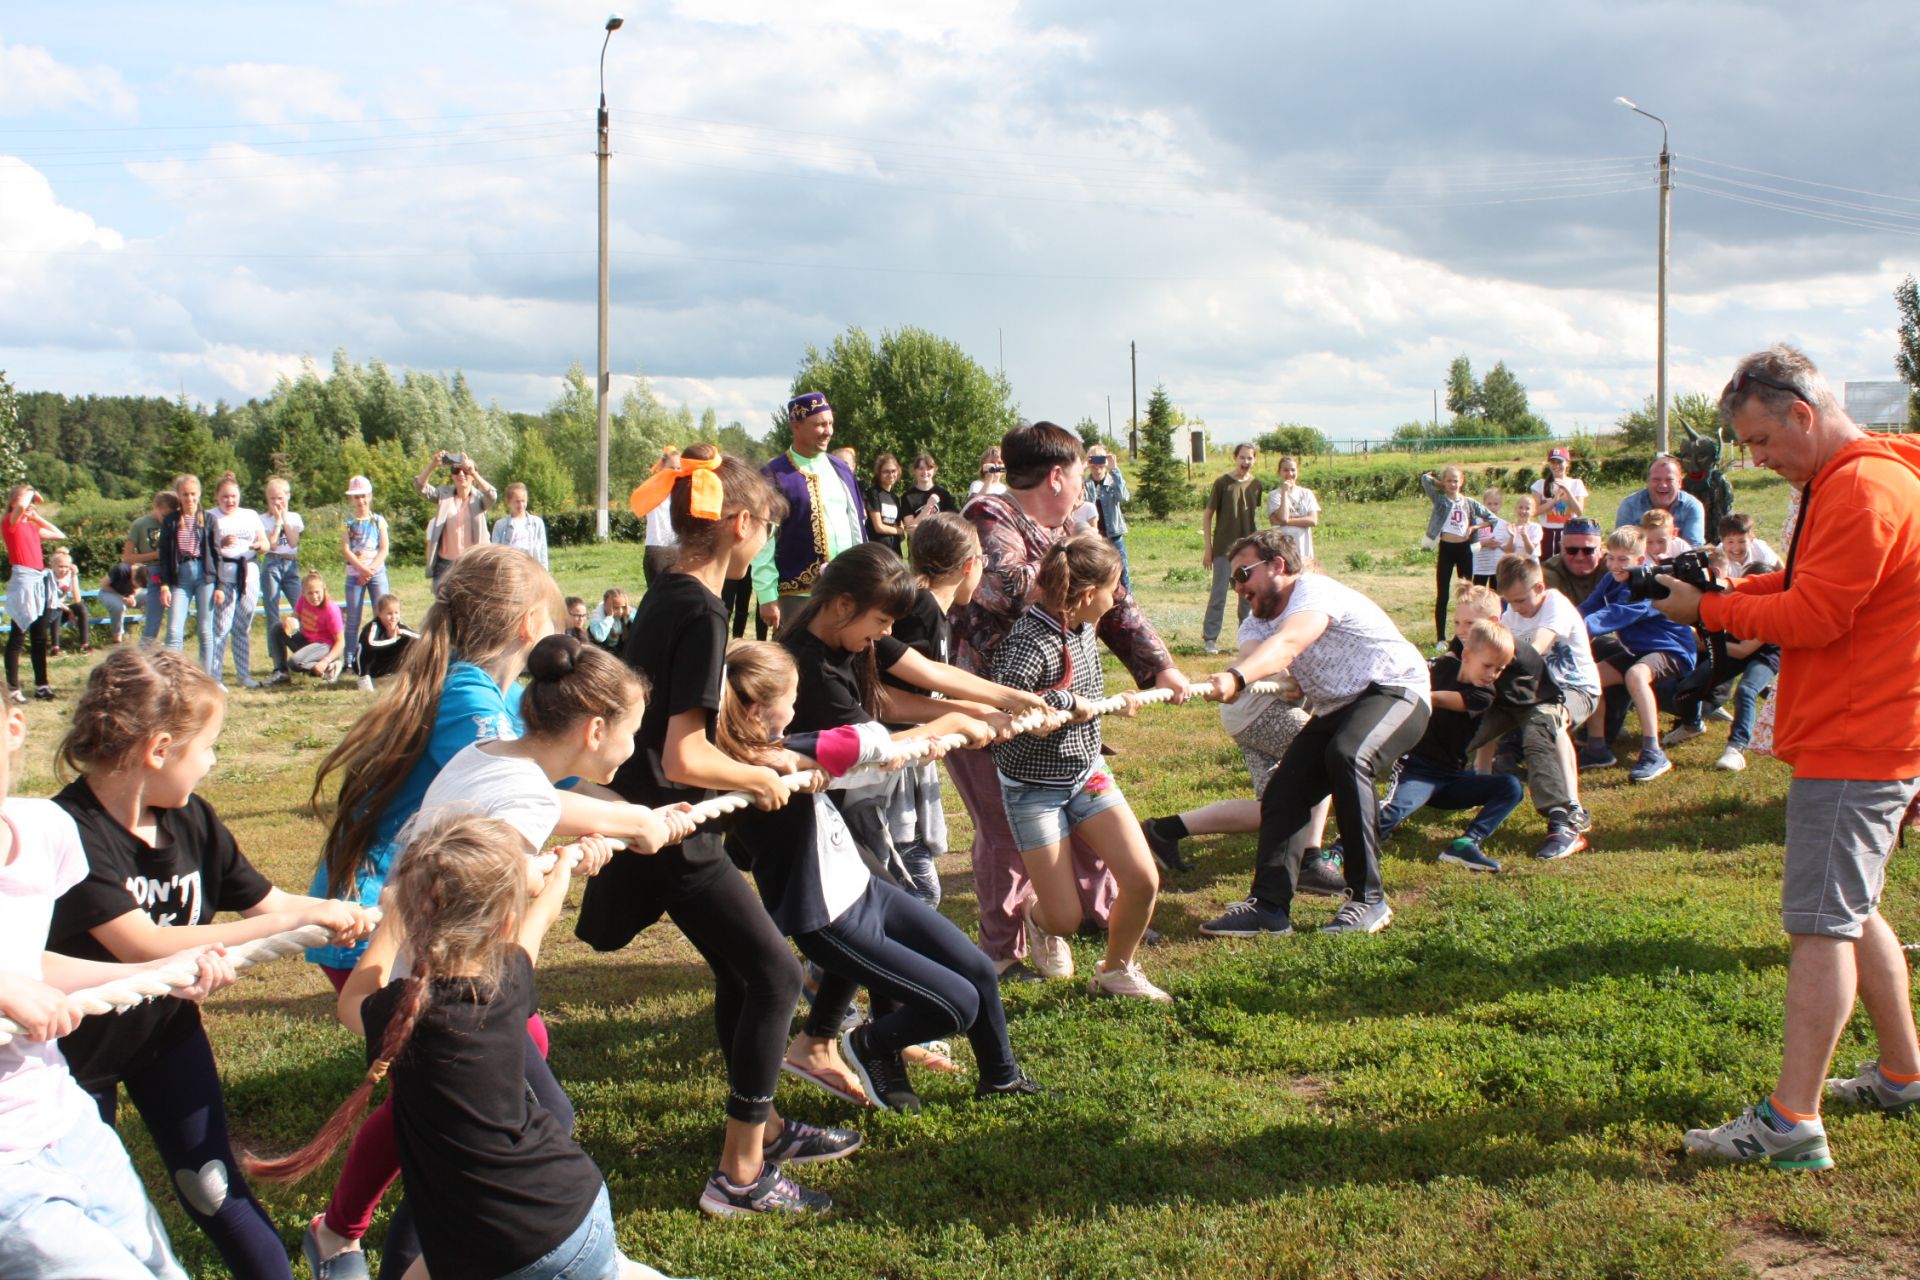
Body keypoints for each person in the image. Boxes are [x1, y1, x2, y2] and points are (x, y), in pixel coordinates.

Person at [301, 544, 684, 1274]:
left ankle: (380, 1245)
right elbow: (512, 820)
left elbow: (523, 786)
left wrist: (569, 855)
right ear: (530, 622)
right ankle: (355, 1236)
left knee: (467, 1085)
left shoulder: (492, 715)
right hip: (410, 928)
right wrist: (620, 826)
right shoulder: (474, 702)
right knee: (454, 1107)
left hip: (419, 925)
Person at [1654, 344, 1920, 1170]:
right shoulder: (1860, 476)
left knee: (1819, 927)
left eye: (1763, 443)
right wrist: (1715, 600)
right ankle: (1905, 1075)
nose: (1759, 462)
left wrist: (1714, 608)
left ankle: (1790, 1121)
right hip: (1874, 727)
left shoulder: (1863, 490)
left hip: (1859, 736)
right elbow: (1810, 586)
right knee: (1855, 909)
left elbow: (1818, 618)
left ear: (1803, 414)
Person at [580, 445, 859, 1218]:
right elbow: (682, 751)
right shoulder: (699, 607)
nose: (767, 547)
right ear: (739, 525)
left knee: (743, 972)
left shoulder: (672, 591)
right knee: (772, 974)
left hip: (663, 817)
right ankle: (740, 1175)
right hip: (674, 829)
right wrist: (760, 776)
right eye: (768, 531)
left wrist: (747, 760)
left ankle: (763, 1127)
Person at [47, 647, 377, 1279]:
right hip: (71, 1056)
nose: (215, 761)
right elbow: (140, 946)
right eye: (209, 747)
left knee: (212, 1185)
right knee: (82, 1212)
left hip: (163, 1036)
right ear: (160, 750)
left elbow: (267, 900)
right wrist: (281, 924)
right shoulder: (73, 832)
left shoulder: (192, 819)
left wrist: (329, 910)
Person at [248, 813, 689, 1280]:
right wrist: (561, 873)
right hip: (575, 1212)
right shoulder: (509, 979)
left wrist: (392, 919)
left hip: (499, 1250)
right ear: (505, 921)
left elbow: (351, 1000)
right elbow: (535, 927)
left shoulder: (403, 1015)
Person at [718, 641, 1042, 1114]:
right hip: (831, 919)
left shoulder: (780, 753)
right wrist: (949, 722)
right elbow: (860, 744)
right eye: (792, 696)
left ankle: (1002, 1079)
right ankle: (869, 1044)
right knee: (956, 1005)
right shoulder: (766, 761)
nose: (796, 705)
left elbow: (857, 755)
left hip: (866, 890)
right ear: (757, 709)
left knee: (976, 973)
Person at [949, 422, 1192, 983]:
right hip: (988, 707)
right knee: (1002, 831)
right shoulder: (991, 516)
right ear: (1057, 476)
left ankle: (1103, 916)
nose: (1085, 488)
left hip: (1065, 720)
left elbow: (1116, 602)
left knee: (1083, 816)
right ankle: (1004, 948)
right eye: (1081, 475)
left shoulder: (1065, 530)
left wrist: (1161, 667)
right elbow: (1006, 586)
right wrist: (1074, 558)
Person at [0, 696, 232, 1280]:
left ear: (13, 724)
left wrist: (152, 977)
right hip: (8, 1174)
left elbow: (31, 964)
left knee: (161, 1268)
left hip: (66, 1121)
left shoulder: (42, 831)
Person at [1199, 528, 1431, 939]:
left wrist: (1237, 677)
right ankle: (1269, 908)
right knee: (1284, 790)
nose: (1239, 588)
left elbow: (1290, 642)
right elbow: (1256, 659)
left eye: (1243, 575)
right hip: (1339, 708)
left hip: (1396, 690)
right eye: (1234, 579)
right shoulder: (1258, 621)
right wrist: (1238, 677)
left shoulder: (1313, 592)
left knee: (1347, 755)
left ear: (1278, 566)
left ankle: (1368, 898)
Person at [990, 535, 1170, 1000]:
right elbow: (1003, 703)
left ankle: (1115, 971)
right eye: (1114, 588)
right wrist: (1066, 703)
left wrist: (1114, 702)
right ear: (1089, 595)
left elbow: (1086, 690)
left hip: (1084, 772)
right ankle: (1037, 917)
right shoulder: (1031, 640)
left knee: (1143, 878)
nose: (1119, 596)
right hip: (1033, 788)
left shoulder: (1083, 625)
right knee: (1065, 919)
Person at [1365, 618, 1522, 873]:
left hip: (1451, 779)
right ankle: (1339, 852)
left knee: (1510, 787)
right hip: (1416, 772)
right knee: (1392, 812)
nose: (1492, 674)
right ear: (1468, 654)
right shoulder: (1441, 668)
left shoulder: (1484, 695)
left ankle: (1466, 843)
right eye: (1488, 665)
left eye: (1500, 669)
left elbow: (1439, 699)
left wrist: (1411, 690)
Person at [1482, 561, 1597, 862]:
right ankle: (1474, 784)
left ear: (1540, 588)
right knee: (1476, 717)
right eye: (1511, 601)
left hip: (1574, 689)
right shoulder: (1512, 612)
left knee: (1548, 722)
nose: (1516, 608)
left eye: (1521, 600)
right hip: (1529, 693)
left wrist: (1498, 654)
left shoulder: (1555, 605)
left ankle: (1568, 811)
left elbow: (1536, 648)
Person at [1576, 525, 1696, 782]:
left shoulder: (1648, 584)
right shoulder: (1611, 578)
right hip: (1638, 650)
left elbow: (1615, 614)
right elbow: (1589, 607)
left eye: (1623, 559)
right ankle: (1597, 748)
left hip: (1671, 649)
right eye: (1610, 557)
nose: (1614, 564)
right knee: (1591, 676)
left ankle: (1654, 751)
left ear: (1640, 561)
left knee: (1636, 675)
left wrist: (1575, 627)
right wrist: (1561, 619)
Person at [751, 393, 866, 632]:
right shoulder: (774, 475)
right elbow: (763, 540)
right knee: (796, 662)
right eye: (819, 424)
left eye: (830, 423)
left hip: (846, 588)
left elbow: (858, 526)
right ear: (796, 426)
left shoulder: (841, 469)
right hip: (797, 595)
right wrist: (766, 594)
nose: (828, 431)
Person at [1661, 548, 1780, 773]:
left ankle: (1736, 748)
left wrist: (1705, 640)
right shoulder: (1737, 595)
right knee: (1687, 688)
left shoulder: (1771, 609)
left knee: (1746, 691)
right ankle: (1692, 725)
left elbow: (1744, 651)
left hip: (1763, 655)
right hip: (1734, 646)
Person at [1418, 465, 1496, 645]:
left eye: (1456, 480)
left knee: (1467, 594)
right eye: (1449, 481)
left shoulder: (1469, 502)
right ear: (1444, 482)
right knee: (1443, 594)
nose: (1452, 484)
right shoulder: (1440, 500)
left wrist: (1475, 527)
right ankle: (1440, 638)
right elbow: (1424, 479)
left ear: (1462, 482)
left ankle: (1466, 634)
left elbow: (1491, 518)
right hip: (1446, 549)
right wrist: (1440, 483)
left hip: (1464, 550)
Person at [1201, 443, 1265, 654]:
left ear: (1254, 460)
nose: (1245, 462)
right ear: (1235, 458)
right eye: (1242, 458)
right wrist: (1208, 548)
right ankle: (1210, 639)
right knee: (1219, 594)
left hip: (1247, 552)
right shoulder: (1222, 483)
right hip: (1223, 550)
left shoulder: (1256, 485)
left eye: (1250, 458)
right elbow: (1208, 515)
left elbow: (1254, 515)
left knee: (1247, 595)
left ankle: (1245, 638)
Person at [208, 473, 268, 689]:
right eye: (225, 497)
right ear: (217, 497)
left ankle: (244, 675)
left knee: (242, 625)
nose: (230, 501)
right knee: (221, 626)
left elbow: (265, 542)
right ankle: (215, 677)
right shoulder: (210, 516)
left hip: (248, 570)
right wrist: (220, 541)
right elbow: (204, 548)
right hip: (223, 573)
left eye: (233, 496)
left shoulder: (250, 515)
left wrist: (260, 545)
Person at [5, 484, 64, 703]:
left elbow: (59, 535)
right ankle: (13, 688)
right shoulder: (10, 523)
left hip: (39, 580)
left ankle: (42, 685)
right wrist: (32, 492)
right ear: (14, 503)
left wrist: (37, 517)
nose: (29, 505)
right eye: (26, 502)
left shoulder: (31, 527)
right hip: (24, 580)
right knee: (18, 636)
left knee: (39, 637)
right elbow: (20, 505)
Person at [416, 449, 497, 588]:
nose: (460, 474)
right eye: (455, 471)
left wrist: (474, 473)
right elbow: (420, 487)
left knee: (470, 604)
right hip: (445, 564)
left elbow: (492, 496)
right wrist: (433, 465)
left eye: (465, 471)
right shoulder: (444, 495)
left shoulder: (479, 499)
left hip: (472, 563)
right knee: (443, 606)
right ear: (452, 476)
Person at [338, 476, 390, 680]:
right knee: (353, 619)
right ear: (352, 499)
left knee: (384, 615)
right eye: (357, 497)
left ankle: (384, 656)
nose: (361, 501)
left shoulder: (378, 520)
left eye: (364, 496)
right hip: (354, 575)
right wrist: (361, 570)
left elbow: (384, 548)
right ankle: (349, 660)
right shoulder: (347, 523)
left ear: (370, 496)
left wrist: (371, 569)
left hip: (376, 572)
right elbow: (346, 549)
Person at [258, 478, 305, 684]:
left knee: (300, 608)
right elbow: (272, 545)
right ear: (267, 500)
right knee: (272, 613)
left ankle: (303, 654)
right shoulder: (262, 519)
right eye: (273, 499)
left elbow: (293, 541)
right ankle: (278, 662)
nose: (277, 503)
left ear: (288, 497)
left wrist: (284, 518)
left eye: (281, 498)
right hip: (272, 564)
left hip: (291, 565)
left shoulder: (295, 517)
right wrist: (277, 521)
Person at [1614, 454, 1707, 547]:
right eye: (1656, 479)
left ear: (1679, 482)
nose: (1663, 485)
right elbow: (1621, 546)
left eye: (1669, 480)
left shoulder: (1692, 507)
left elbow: (1694, 548)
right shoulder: (1630, 505)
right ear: (1648, 482)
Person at [124, 489, 178, 644]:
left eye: (171, 515)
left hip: (175, 571)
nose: (168, 519)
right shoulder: (140, 524)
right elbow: (127, 558)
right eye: (164, 515)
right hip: (154, 572)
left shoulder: (177, 521)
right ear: (155, 507)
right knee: (153, 623)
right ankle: (144, 658)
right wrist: (155, 555)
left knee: (175, 625)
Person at [1082, 446, 1133, 590]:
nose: (1098, 465)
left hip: (1114, 535)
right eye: (1094, 460)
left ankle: (1126, 605)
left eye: (1101, 460)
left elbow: (1123, 497)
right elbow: (1076, 499)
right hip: (1094, 536)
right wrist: (1082, 468)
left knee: (1123, 574)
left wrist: (1114, 469)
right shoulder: (1086, 484)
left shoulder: (1112, 482)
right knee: (1096, 575)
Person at [282, 571, 346, 684]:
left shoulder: (331, 610)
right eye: (310, 593)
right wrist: (289, 622)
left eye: (317, 592)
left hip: (324, 646)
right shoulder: (302, 600)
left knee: (294, 663)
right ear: (303, 593)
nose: (314, 596)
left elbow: (340, 642)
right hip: (308, 641)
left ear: (324, 590)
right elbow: (295, 619)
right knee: (277, 629)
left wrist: (325, 661)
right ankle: (280, 671)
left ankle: (330, 666)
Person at [1530, 446, 1588, 557]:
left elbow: (1579, 511)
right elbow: (1534, 511)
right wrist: (1553, 501)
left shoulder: (1576, 483)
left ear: (1567, 463)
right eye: (1553, 462)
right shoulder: (1540, 484)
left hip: (1569, 531)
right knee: (1547, 565)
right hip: (1546, 532)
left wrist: (1567, 490)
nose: (1556, 466)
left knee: (1568, 565)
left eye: (1559, 462)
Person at [1264, 453, 1320, 565]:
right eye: (1285, 470)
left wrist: (1286, 522)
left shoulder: (1307, 493)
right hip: (1283, 547)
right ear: (1279, 472)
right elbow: (1283, 518)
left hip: (1303, 548)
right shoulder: (1274, 495)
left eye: (1293, 470)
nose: (1290, 474)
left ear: (1297, 471)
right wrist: (1284, 492)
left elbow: (1313, 521)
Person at [352, 594, 417, 689]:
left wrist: (401, 635)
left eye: (396, 613)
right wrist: (392, 639)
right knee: (366, 648)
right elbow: (370, 645)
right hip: (367, 666)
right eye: (389, 614)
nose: (393, 617)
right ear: (379, 613)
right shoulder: (373, 627)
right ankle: (364, 678)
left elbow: (420, 638)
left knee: (408, 641)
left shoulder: (399, 627)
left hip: (384, 666)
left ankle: (405, 674)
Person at [1541, 515, 1607, 606]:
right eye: (1572, 550)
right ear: (1561, 548)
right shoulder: (1547, 573)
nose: (1580, 557)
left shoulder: (1616, 568)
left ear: (1601, 549)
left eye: (1588, 550)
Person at [642, 446, 682, 587]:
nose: (675, 472)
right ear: (662, 466)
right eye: (672, 467)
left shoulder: (683, 491)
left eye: (679, 468)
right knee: (658, 595)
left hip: (678, 549)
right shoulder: (653, 487)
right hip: (657, 549)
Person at [490, 481, 550, 569]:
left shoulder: (537, 523)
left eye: (523, 501)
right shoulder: (500, 525)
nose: (521, 505)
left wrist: (544, 573)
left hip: (531, 568)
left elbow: (543, 552)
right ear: (509, 502)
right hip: (510, 569)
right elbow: (495, 552)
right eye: (517, 502)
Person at [44, 548, 91, 657]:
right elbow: (52, 600)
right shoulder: (48, 576)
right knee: (57, 609)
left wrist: (74, 577)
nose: (63, 570)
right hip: (50, 609)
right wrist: (69, 610)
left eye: (66, 567)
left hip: (63, 607)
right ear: (53, 566)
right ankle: (55, 647)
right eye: (60, 567)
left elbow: (77, 600)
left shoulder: (70, 576)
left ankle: (85, 645)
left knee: (81, 607)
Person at [899, 453, 957, 531]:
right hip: (918, 542)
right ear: (914, 470)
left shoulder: (944, 494)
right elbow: (910, 530)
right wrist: (928, 506)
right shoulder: (907, 497)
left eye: (929, 468)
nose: (925, 472)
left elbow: (953, 522)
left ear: (934, 470)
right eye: (921, 468)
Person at [1717, 511, 1782, 578]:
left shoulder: (1760, 550)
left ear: (1751, 539)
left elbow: (1778, 565)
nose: (1736, 548)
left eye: (1742, 541)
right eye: (1730, 542)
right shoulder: (1717, 558)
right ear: (1722, 541)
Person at [864, 453, 905, 556]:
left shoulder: (895, 497)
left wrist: (901, 532)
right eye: (886, 471)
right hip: (877, 550)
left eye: (893, 471)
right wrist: (899, 531)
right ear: (879, 473)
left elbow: (898, 523)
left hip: (894, 550)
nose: (891, 475)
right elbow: (879, 527)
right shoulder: (873, 493)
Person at [1468, 486, 1508, 588]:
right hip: (1480, 568)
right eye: (1489, 504)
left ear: (1501, 505)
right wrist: (1485, 543)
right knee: (1477, 596)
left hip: (1497, 569)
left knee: (1495, 596)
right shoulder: (1476, 524)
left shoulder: (1505, 525)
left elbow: (1509, 548)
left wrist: (1499, 545)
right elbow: (1471, 548)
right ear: (1483, 505)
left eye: (1496, 504)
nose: (1492, 507)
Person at [98, 559, 142, 646]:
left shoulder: (143, 573)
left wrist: (132, 596)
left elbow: (139, 587)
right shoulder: (121, 569)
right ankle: (117, 640)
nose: (134, 583)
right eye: (134, 580)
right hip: (108, 592)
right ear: (132, 572)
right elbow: (103, 584)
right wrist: (121, 597)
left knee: (150, 598)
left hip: (127, 595)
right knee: (118, 606)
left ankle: (149, 636)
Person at [587, 587, 630, 655]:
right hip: (601, 652)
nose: (620, 611)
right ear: (605, 605)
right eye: (615, 607)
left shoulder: (627, 611)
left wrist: (629, 615)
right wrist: (610, 616)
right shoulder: (598, 615)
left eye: (623, 607)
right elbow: (600, 637)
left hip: (618, 649)